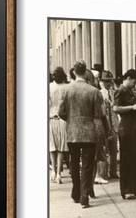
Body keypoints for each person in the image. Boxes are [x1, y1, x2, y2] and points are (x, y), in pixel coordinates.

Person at [58, 60, 104, 208]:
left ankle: (76, 192)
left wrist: (71, 119)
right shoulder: (94, 91)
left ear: (74, 72)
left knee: (73, 163)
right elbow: (99, 114)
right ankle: (85, 196)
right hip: (89, 131)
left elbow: (61, 112)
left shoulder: (66, 90)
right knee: (87, 165)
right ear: (85, 72)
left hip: (72, 131)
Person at [113, 69, 136, 200]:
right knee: (126, 159)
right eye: (134, 82)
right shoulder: (121, 90)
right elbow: (116, 108)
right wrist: (132, 108)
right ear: (129, 78)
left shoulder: (129, 91)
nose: (135, 85)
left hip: (133, 127)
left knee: (135, 158)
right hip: (126, 127)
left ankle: (134, 188)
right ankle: (126, 189)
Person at [49, 67, 69, 184]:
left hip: (51, 118)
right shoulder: (66, 88)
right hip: (63, 120)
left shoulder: (49, 87)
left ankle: (53, 170)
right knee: (61, 147)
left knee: (52, 146)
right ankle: (58, 173)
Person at [99, 70, 120, 179]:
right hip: (105, 123)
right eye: (106, 81)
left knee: (114, 150)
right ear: (102, 82)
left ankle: (113, 171)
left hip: (114, 123)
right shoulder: (101, 93)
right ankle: (104, 173)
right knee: (105, 149)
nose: (108, 83)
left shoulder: (113, 92)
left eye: (110, 81)